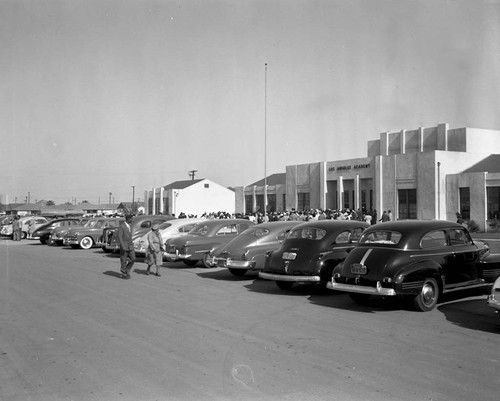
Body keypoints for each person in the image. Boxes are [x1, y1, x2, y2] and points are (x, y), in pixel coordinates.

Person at [117, 214, 135, 279]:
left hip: (130, 246)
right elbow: (120, 237)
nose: (132, 220)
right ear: (128, 219)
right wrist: (122, 246)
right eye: (131, 219)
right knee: (123, 260)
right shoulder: (122, 226)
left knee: (133, 258)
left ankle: (126, 269)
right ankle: (124, 272)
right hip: (124, 246)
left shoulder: (130, 226)